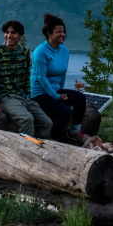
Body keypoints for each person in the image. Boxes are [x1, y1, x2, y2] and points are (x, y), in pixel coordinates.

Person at [0, 20, 52, 139]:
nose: (9, 36)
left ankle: (40, 150)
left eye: (13, 33)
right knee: (26, 119)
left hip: (22, 97)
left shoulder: (24, 53)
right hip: (5, 97)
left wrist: (28, 97)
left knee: (47, 123)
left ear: (20, 35)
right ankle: (25, 151)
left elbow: (26, 77)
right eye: (7, 32)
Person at [30, 13, 87, 144]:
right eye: (58, 32)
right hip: (40, 94)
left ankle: (74, 132)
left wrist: (60, 92)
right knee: (65, 112)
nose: (62, 35)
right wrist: (57, 97)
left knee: (80, 98)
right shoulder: (40, 51)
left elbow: (62, 74)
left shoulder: (64, 51)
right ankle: (51, 140)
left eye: (63, 32)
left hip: (55, 91)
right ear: (49, 33)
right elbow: (42, 78)